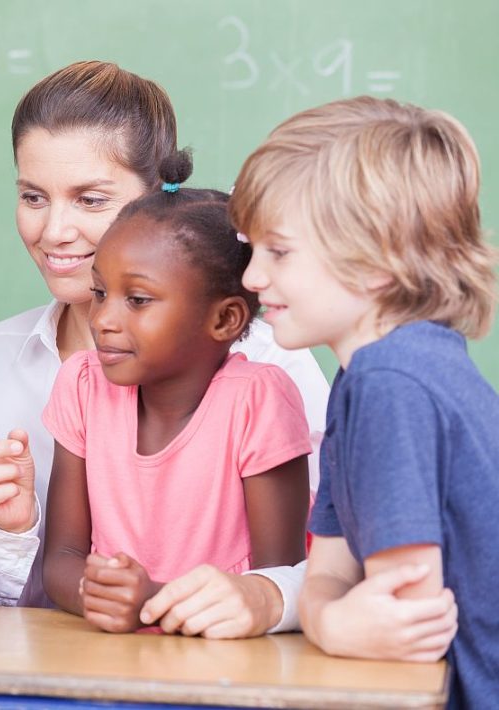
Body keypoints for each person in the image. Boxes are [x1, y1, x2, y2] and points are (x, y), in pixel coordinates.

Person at [0, 61, 328, 634]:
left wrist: (157, 599)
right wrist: (12, 532)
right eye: (34, 197)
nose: (54, 230)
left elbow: (313, 571)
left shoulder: (269, 361)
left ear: (156, 198)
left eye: (90, 199)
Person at [232, 96, 493, 706]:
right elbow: (328, 576)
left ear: (377, 262)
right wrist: (328, 619)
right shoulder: (366, 376)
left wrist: (332, 619)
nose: (250, 277)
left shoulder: (391, 383)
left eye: (279, 251)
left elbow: (404, 623)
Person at [40, 152, 311, 632]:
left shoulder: (257, 402)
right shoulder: (82, 387)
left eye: (138, 300)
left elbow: (280, 581)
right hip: (105, 661)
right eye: (100, 293)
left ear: (225, 319)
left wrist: (148, 601)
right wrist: (95, 594)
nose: (102, 319)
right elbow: (61, 558)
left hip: (227, 667)